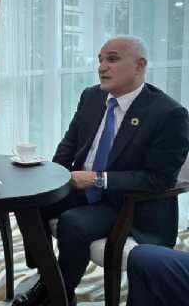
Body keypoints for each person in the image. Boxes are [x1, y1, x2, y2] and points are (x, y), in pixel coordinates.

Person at [13, 36, 189, 306]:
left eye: (112, 59)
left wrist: (100, 179)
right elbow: (69, 144)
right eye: (100, 60)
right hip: (81, 188)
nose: (102, 66)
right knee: (29, 202)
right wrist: (51, 178)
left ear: (140, 65)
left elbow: (160, 179)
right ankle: (47, 275)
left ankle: (58, 295)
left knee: (73, 223)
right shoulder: (92, 96)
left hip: (127, 203)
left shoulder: (168, 113)